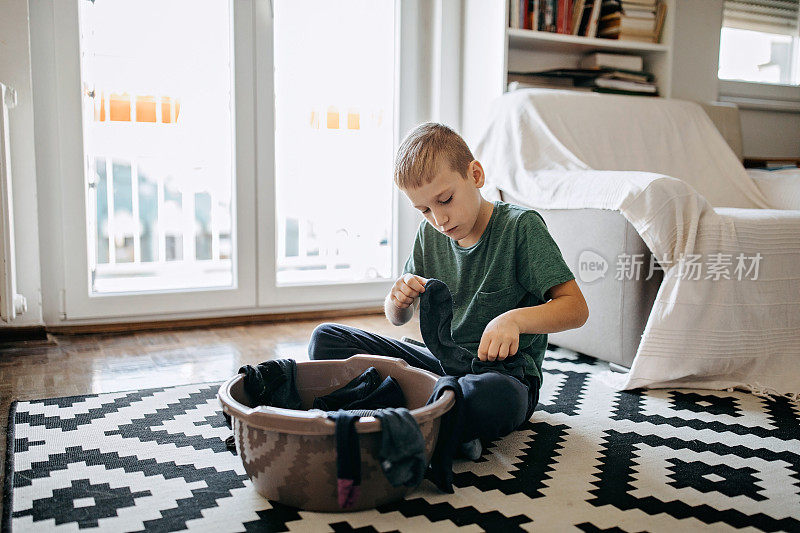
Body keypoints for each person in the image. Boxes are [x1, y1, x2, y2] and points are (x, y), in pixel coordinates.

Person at [309, 122, 588, 459]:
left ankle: (405, 409)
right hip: (442, 366)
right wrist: (396, 301)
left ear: (476, 175)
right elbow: (398, 319)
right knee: (326, 340)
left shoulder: (521, 227)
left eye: (445, 200)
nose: (439, 219)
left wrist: (513, 321)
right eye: (424, 210)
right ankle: (440, 417)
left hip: (503, 375)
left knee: (494, 399)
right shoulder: (430, 236)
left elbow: (575, 308)